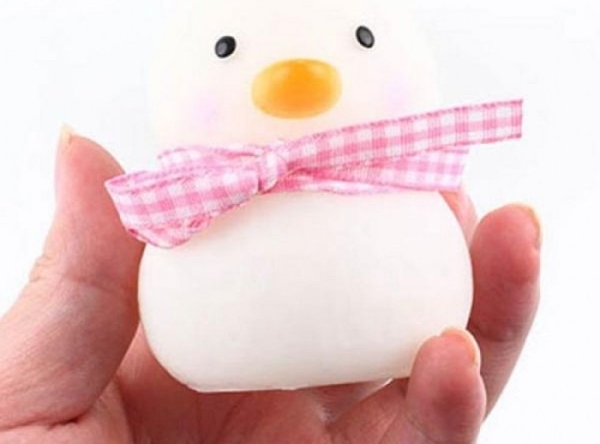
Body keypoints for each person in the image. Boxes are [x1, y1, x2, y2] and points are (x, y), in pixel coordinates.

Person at [0, 128, 541, 443]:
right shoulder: (199, 208)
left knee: (445, 357)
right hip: (190, 352)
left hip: (415, 321)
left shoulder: (404, 211)